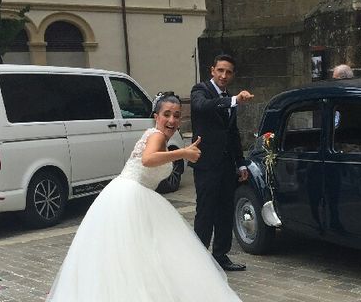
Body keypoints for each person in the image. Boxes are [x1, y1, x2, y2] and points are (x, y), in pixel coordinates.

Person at [46, 92, 241, 302]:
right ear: (156, 116)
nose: (172, 120)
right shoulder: (155, 135)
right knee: (134, 253)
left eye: (177, 115)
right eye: (167, 114)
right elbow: (148, 160)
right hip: (129, 196)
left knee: (139, 255)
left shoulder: (160, 139)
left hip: (136, 195)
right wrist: (183, 153)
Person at [190, 54, 253, 272]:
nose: (224, 76)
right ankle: (198, 256)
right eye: (220, 71)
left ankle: (220, 256)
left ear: (233, 74)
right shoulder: (200, 90)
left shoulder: (228, 97)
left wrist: (241, 163)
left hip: (227, 166)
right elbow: (202, 107)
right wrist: (233, 100)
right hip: (206, 165)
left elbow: (232, 133)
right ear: (212, 70)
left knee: (225, 211)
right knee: (205, 211)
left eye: (228, 72)